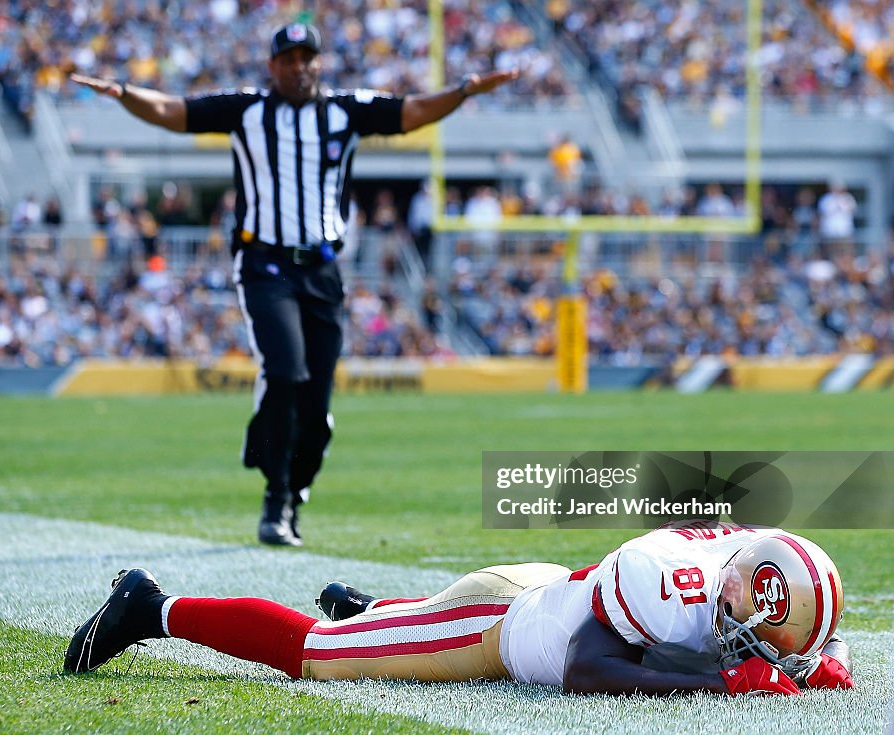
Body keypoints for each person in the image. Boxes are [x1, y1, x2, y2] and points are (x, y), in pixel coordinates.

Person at [71, 23, 518, 546]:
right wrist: (124, 93)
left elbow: (413, 111)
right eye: (288, 58)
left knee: (317, 406)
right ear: (272, 66)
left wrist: (463, 90)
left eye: (308, 58)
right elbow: (174, 112)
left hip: (323, 270)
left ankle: (295, 487)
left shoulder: (346, 112)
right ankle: (275, 494)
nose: (299, 67)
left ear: (319, 63)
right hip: (266, 263)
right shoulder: (247, 112)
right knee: (284, 371)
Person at [63, 522, 853, 695]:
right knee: (316, 653)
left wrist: (818, 660)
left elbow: (789, 621)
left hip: (545, 587)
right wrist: (721, 685)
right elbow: (586, 664)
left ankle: (370, 607)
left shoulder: (752, 568)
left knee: (374, 628)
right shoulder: (670, 582)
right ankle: (152, 605)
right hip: (499, 627)